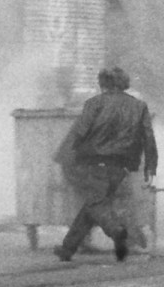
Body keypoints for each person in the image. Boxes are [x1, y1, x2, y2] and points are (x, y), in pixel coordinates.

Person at [52, 67, 158, 263]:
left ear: (103, 84)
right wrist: (150, 166)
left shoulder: (95, 104)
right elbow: (148, 139)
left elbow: (78, 134)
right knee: (93, 204)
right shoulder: (138, 106)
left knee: (96, 204)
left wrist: (64, 159)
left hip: (93, 165)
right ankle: (68, 249)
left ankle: (118, 232)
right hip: (120, 168)